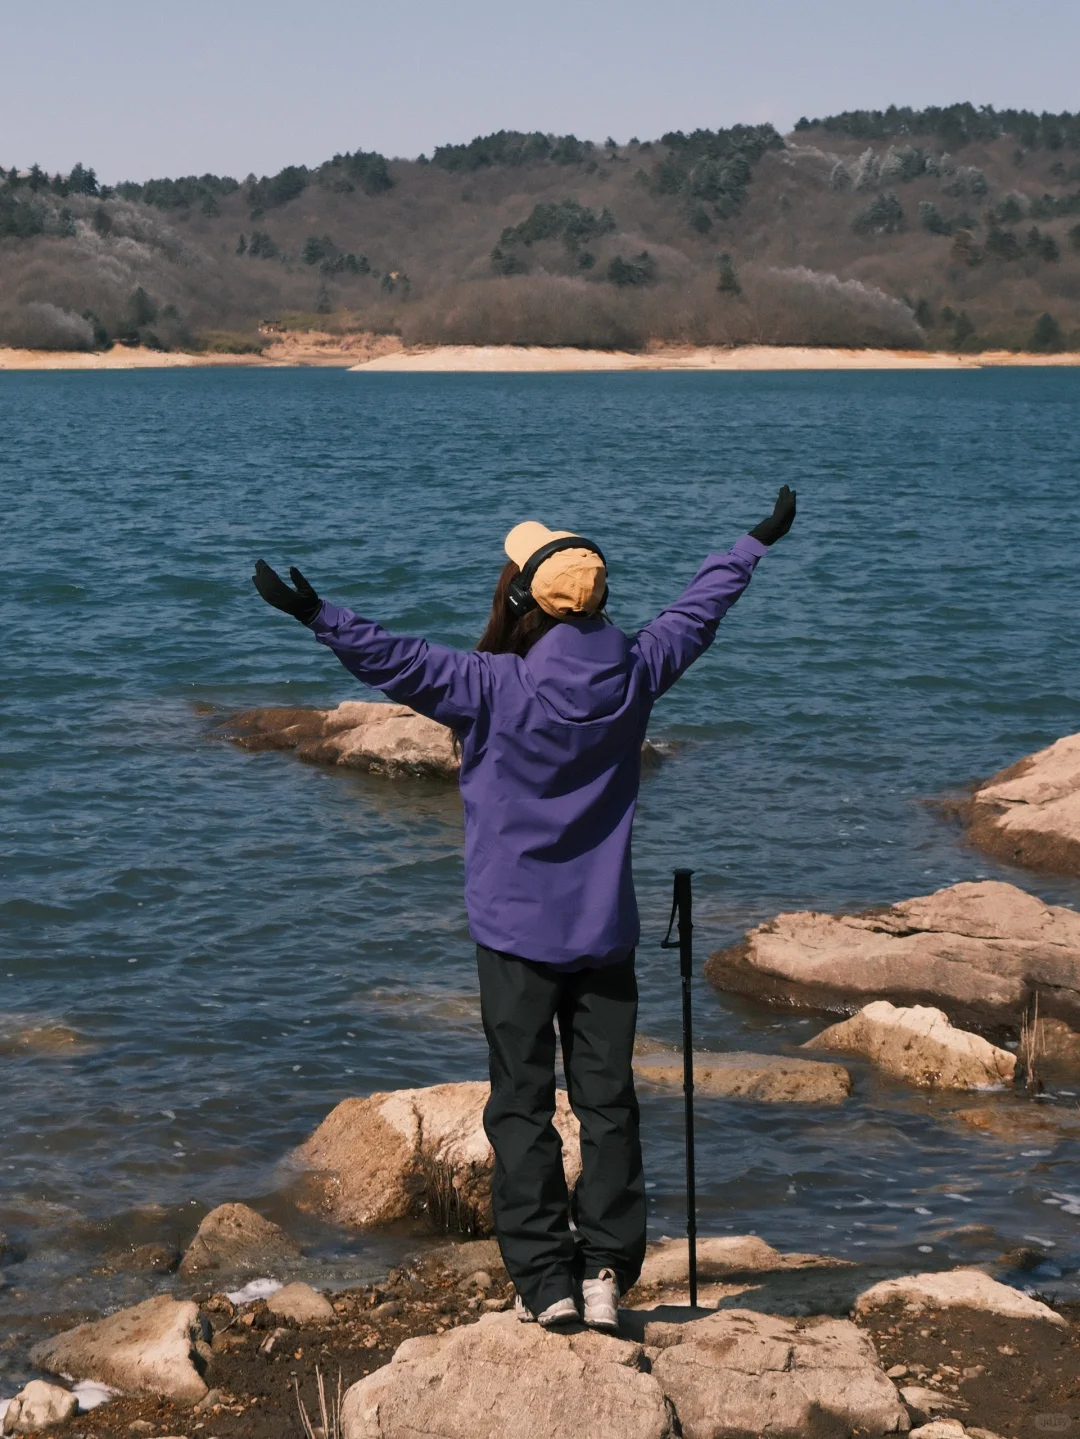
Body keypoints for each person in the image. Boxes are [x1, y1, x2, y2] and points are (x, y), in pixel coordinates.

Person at [251, 485, 796, 1333]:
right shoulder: (639, 668)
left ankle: (546, 1281)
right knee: (610, 1101)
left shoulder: (491, 686)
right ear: (601, 600)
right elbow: (699, 610)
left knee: (521, 1105)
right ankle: (609, 1270)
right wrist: (752, 543)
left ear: (519, 600)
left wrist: (318, 612)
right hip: (605, 932)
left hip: (513, 935)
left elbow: (392, 659)